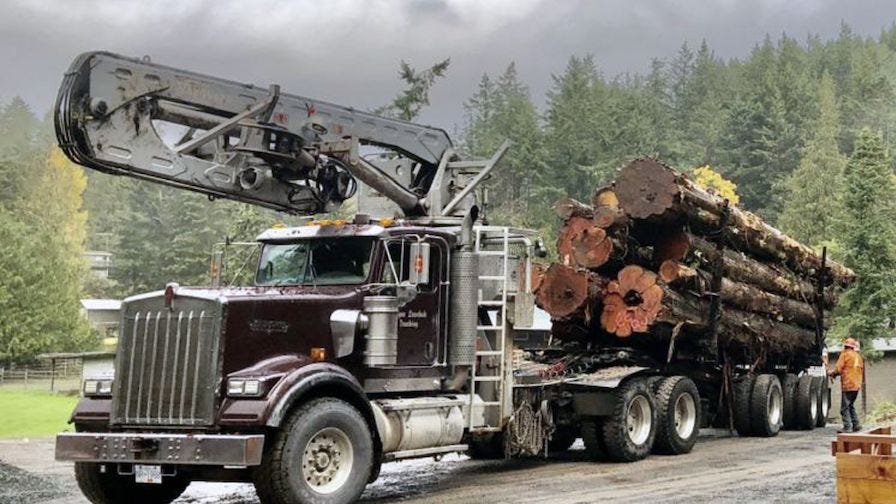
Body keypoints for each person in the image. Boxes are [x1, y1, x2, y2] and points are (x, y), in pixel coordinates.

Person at [828, 337, 865, 433]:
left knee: (844, 408)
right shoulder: (858, 356)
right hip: (856, 384)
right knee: (850, 405)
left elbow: (838, 369)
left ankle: (847, 427)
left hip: (848, 384)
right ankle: (856, 425)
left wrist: (832, 373)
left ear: (845, 346)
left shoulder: (845, 355)